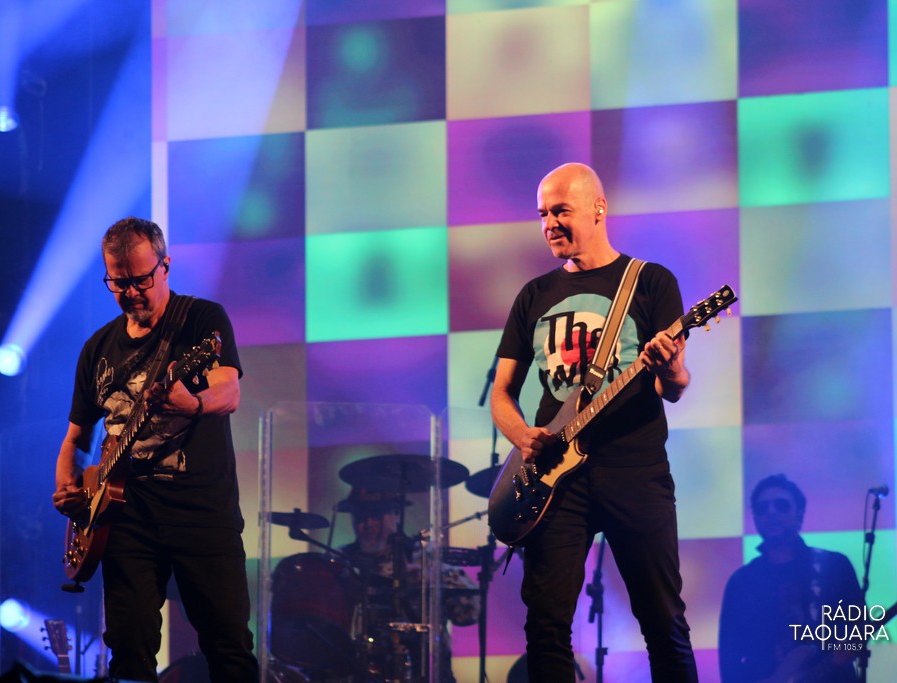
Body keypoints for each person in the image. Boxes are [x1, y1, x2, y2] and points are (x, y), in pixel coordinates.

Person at [490, 162, 698, 682]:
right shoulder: (533, 294)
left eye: (560, 211)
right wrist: (523, 437)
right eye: (543, 214)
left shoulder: (650, 282)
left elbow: (674, 388)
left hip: (635, 471)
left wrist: (670, 366)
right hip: (556, 480)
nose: (549, 224)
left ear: (598, 208)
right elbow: (501, 392)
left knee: (663, 622)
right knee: (546, 627)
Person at [51, 217, 258, 682]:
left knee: (228, 645)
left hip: (200, 512)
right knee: (128, 652)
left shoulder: (201, 320)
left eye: (141, 280)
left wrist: (193, 403)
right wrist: (68, 486)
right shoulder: (97, 349)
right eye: (118, 283)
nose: (130, 292)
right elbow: (76, 438)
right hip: (124, 521)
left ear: (165, 266)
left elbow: (229, 390)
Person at [718, 474, 862, 683]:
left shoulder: (835, 566)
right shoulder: (741, 582)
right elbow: (729, 655)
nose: (771, 512)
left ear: (800, 513)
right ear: (755, 518)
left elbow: (858, 625)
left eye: (782, 505)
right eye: (762, 508)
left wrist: (847, 649)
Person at [338, 487, 480, 683]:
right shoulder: (340, 561)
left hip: (424, 673)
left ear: (396, 515)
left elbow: (470, 614)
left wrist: (431, 581)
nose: (368, 524)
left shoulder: (424, 555)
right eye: (360, 517)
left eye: (376, 515)